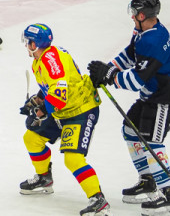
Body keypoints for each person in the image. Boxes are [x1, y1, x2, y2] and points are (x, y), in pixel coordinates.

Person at [88, 0, 170, 215]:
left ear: (142, 14)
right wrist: (109, 67)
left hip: (164, 95)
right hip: (151, 93)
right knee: (130, 130)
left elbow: (136, 80)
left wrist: (109, 76)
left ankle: (167, 196)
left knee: (152, 141)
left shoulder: (154, 41)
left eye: (134, 13)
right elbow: (131, 53)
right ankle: (148, 181)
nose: (131, 17)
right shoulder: (142, 31)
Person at [19, 24, 110, 216]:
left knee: (73, 158)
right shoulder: (41, 59)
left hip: (80, 110)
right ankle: (44, 178)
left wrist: (41, 110)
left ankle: (98, 199)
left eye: (29, 41)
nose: (26, 44)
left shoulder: (50, 60)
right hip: (63, 110)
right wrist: (36, 100)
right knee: (32, 139)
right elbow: (52, 88)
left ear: (36, 43)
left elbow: (59, 96)